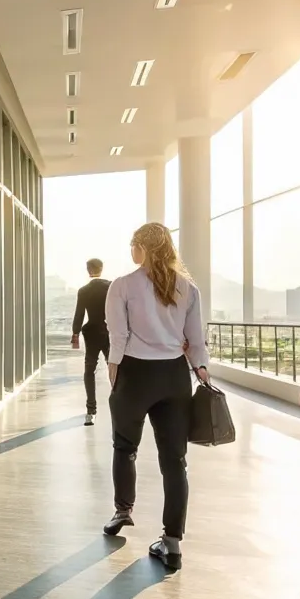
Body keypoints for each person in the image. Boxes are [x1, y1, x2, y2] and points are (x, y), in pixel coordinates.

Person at [102, 223, 211, 571]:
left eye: (132, 246)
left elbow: (117, 335)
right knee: (175, 462)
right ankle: (173, 542)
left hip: (135, 374)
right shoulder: (187, 288)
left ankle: (123, 510)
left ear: (141, 248)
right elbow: (196, 340)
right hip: (175, 377)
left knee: (124, 446)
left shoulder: (122, 285)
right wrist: (201, 370)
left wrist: (114, 369)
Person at [71, 258, 112, 425]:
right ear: (102, 269)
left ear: (88, 270)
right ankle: (119, 406)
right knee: (115, 369)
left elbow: (80, 314)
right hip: (110, 333)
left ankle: (91, 411)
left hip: (92, 333)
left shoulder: (83, 291)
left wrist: (75, 333)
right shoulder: (111, 287)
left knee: (89, 370)